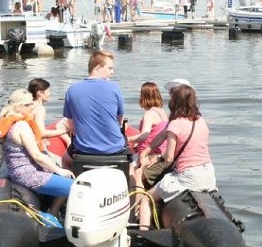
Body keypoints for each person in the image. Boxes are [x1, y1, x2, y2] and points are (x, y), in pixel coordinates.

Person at [135, 84, 216, 229]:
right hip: (208, 174)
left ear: (174, 102)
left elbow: (169, 159)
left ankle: (144, 233)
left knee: (146, 199)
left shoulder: (175, 125)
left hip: (187, 177)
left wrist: (157, 160)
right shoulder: (201, 121)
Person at [0, 89, 75, 214]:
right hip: (29, 175)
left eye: (32, 103)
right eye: (28, 104)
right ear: (18, 106)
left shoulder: (7, 123)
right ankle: (53, 214)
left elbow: (2, 153)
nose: (32, 107)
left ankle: (52, 212)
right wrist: (60, 170)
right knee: (76, 187)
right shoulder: (22, 126)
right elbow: (36, 155)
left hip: (17, 174)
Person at [62, 50, 126, 165]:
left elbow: (72, 127)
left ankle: (71, 182)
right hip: (114, 149)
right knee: (130, 167)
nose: (112, 72)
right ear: (98, 68)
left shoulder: (71, 90)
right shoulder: (114, 87)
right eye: (110, 68)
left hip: (84, 150)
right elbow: (120, 119)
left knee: (65, 160)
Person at [127, 82, 168, 190]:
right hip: (160, 152)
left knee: (129, 170)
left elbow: (145, 136)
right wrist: (136, 143)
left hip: (148, 153)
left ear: (144, 97)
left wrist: (127, 139)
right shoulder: (162, 112)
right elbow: (155, 133)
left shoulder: (149, 114)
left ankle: (134, 199)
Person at [27, 77, 72, 158]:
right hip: (35, 150)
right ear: (40, 93)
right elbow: (41, 133)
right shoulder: (39, 109)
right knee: (64, 162)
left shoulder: (27, 106)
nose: (49, 94)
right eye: (48, 91)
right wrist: (63, 130)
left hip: (28, 146)